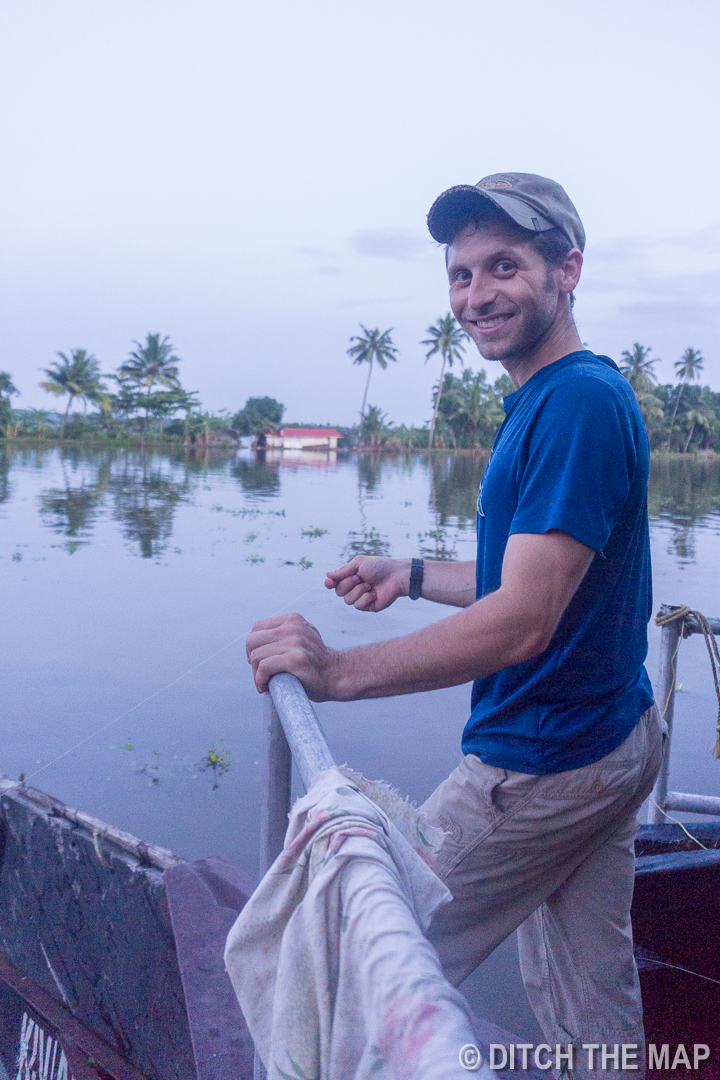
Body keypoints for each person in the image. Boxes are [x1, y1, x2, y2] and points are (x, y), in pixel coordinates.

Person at [246, 173, 662, 1075]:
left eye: (504, 266)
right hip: (613, 739)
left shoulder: (577, 404)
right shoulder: (555, 400)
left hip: (542, 764)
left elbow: (525, 622)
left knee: (355, 967)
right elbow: (538, 581)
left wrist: (338, 672)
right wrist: (410, 575)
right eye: (461, 275)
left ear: (569, 270)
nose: (477, 295)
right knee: (591, 1003)